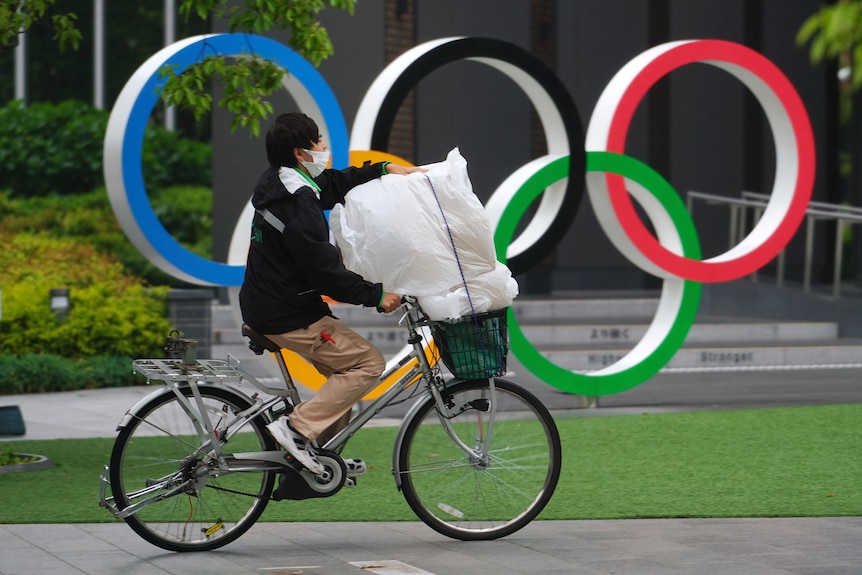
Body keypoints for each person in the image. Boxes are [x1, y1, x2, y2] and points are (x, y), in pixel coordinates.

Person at [239, 112, 426, 477]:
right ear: (300, 151)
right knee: (367, 364)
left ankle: (312, 465)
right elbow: (324, 271)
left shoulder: (283, 182)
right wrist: (375, 295)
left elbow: (334, 181)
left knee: (343, 382)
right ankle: (296, 431)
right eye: (319, 141)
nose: (325, 147)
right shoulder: (297, 201)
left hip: (273, 302)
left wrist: (384, 169)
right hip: (287, 312)